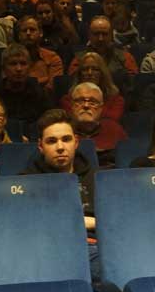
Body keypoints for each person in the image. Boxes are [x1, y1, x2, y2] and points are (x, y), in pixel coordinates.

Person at [21, 109, 99, 279]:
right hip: (47, 249)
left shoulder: (98, 178)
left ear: (76, 142)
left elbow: (116, 223)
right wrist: (85, 221)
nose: (60, 147)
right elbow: (28, 227)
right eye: (52, 141)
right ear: (41, 146)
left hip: (94, 247)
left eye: (66, 139)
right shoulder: (26, 183)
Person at [67, 81, 127, 167]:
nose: (86, 105)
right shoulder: (62, 132)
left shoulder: (114, 129)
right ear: (72, 106)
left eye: (93, 102)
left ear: (101, 108)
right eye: (80, 101)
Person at [60, 51, 127, 121]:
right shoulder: (68, 100)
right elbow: (72, 119)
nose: (90, 73)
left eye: (95, 69)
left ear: (103, 73)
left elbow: (112, 119)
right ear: (79, 74)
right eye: (85, 69)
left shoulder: (116, 100)